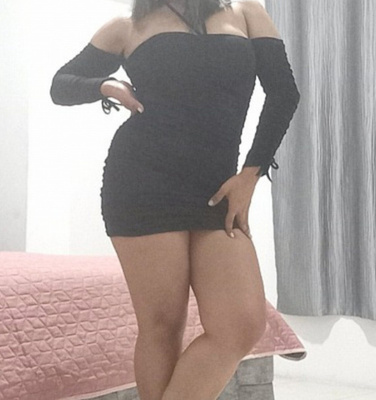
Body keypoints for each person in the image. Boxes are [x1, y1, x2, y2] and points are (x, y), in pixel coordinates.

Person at [50, 0, 300, 399]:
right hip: (142, 182)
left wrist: (250, 176)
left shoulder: (246, 13)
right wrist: (107, 85)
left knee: (242, 323)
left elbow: (284, 93)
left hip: (217, 188)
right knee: (162, 325)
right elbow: (61, 84)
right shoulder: (127, 26)